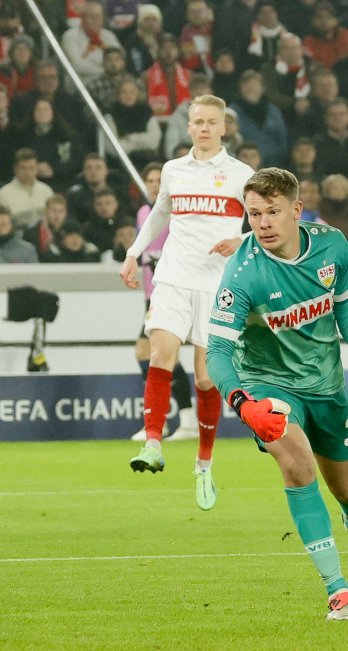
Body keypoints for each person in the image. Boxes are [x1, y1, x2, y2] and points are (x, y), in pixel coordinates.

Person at [206, 167, 348, 621]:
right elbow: (216, 351)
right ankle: (337, 589)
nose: (263, 223)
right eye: (253, 214)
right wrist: (244, 405)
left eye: (272, 212)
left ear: (296, 210)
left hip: (326, 387)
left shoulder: (332, 245)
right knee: (296, 465)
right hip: (266, 385)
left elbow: (346, 307)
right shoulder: (242, 275)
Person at [118, 94, 256, 509]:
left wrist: (242, 238)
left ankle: (203, 463)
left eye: (212, 122)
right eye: (198, 122)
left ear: (223, 126)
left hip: (217, 287)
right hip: (174, 279)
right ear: (190, 126)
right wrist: (133, 252)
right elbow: (159, 214)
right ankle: (154, 444)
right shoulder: (174, 170)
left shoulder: (241, 173)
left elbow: (270, 219)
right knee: (160, 354)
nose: (205, 128)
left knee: (205, 378)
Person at [130, 162, 200, 442]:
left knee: (150, 352)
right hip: (152, 293)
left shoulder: (179, 214)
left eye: (160, 180)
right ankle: (181, 420)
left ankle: (174, 421)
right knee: (153, 355)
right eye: (150, 180)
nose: (155, 185)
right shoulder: (144, 212)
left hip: (174, 291)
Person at [60, 0, 121, 84]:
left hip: (110, 82)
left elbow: (120, 59)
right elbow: (77, 65)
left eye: (98, 16)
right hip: (82, 84)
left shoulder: (109, 36)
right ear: (82, 18)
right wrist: (106, 71)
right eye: (91, 16)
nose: (95, 20)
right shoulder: (70, 36)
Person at [0, 148, 54, 230]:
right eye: (23, 168)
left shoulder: (46, 191)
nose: (27, 173)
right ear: (15, 169)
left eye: (31, 168)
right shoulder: (4, 194)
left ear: (37, 169)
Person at [24, 194, 69, 259]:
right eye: (53, 210)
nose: (57, 215)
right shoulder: (31, 233)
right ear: (45, 211)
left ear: (66, 213)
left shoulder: (71, 231)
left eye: (60, 211)